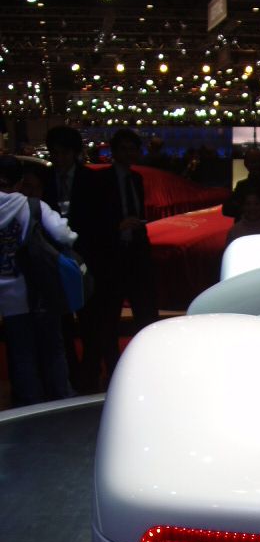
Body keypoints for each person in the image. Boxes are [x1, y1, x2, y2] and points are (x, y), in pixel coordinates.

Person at [0, 155, 77, 405]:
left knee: (20, 353)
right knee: (52, 349)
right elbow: (63, 235)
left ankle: (29, 408)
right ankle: (60, 404)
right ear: (20, 180)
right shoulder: (32, 205)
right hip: (38, 289)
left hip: (6, 296)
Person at [42, 125, 103, 392]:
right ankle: (69, 377)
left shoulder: (92, 180)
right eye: (55, 153)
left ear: (75, 153)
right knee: (62, 326)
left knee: (90, 322)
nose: (59, 158)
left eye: (64, 152)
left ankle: (89, 378)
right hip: (53, 261)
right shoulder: (44, 179)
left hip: (87, 260)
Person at [97, 128, 158, 380]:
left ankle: (148, 367)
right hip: (113, 255)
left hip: (137, 253)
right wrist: (116, 227)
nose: (129, 153)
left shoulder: (136, 179)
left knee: (146, 314)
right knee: (109, 316)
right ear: (114, 151)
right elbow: (93, 218)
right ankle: (114, 370)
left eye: (133, 148)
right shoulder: (101, 180)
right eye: (124, 148)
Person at [222, 147, 260, 220]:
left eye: (258, 161)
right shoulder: (241, 186)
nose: (256, 165)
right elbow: (227, 210)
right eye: (253, 161)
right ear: (246, 164)